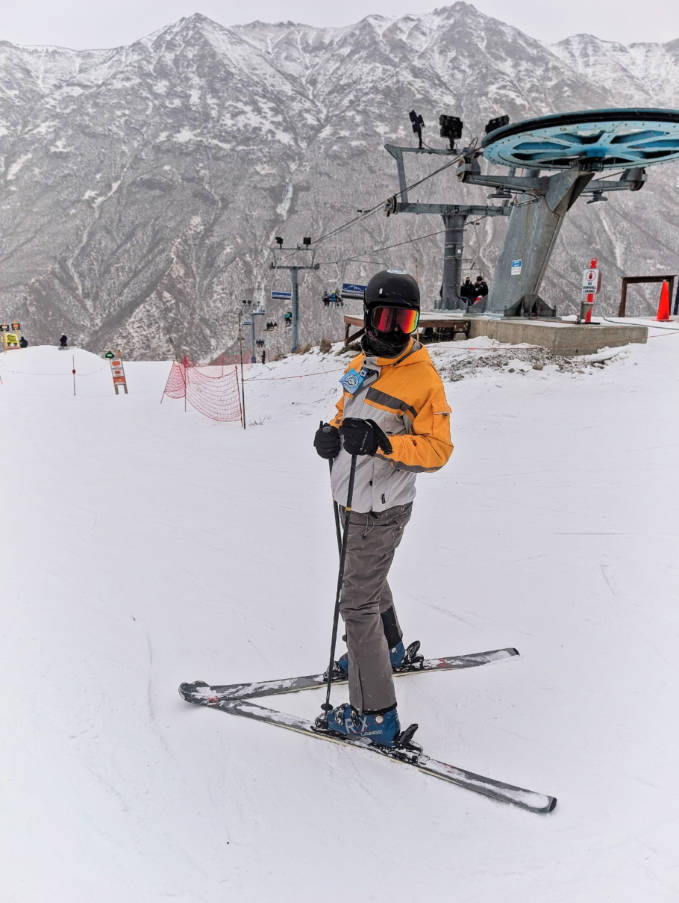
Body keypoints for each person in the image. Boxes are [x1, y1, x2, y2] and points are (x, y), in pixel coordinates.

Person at [313, 269, 453, 747]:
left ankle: (375, 715)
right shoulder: (365, 363)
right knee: (368, 579)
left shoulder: (423, 379)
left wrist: (382, 442)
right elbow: (344, 408)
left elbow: (437, 450)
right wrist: (331, 435)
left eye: (405, 320)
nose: (395, 330)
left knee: (356, 603)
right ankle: (387, 649)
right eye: (386, 318)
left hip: (381, 506)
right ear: (370, 318)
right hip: (351, 497)